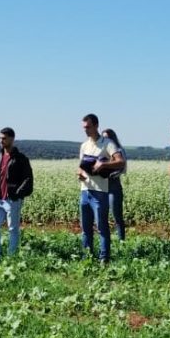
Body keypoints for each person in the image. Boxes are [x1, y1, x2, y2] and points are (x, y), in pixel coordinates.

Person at [77, 113, 124, 263]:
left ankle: (104, 259)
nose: (85, 130)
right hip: (85, 190)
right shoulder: (84, 145)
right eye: (84, 127)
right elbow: (80, 166)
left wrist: (104, 164)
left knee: (102, 228)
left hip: (100, 192)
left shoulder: (107, 143)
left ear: (96, 125)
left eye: (88, 127)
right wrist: (80, 173)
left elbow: (121, 162)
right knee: (86, 229)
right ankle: (88, 258)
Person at [0, 127, 33, 260]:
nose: (1, 141)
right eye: (0, 138)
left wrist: (18, 194)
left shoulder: (21, 158)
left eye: (4, 138)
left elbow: (28, 178)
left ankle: (11, 258)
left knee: (13, 229)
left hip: (12, 200)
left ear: (12, 139)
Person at [102, 127, 128, 241]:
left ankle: (121, 241)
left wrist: (109, 174)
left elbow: (122, 169)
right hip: (101, 186)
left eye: (107, 138)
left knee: (117, 216)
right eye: (103, 138)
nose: (106, 140)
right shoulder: (101, 151)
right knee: (102, 216)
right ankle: (106, 240)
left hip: (113, 185)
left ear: (112, 138)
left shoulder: (119, 150)